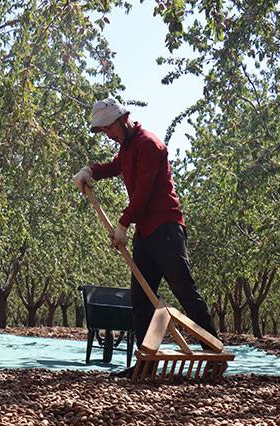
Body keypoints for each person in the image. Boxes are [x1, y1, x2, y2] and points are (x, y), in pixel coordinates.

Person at [73, 98, 219, 377]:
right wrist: (91, 170)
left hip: (165, 228)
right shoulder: (127, 148)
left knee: (184, 290)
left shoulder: (149, 145)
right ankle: (145, 363)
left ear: (123, 119)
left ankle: (212, 352)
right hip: (146, 232)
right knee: (141, 300)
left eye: (108, 128)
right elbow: (114, 167)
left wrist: (123, 224)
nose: (107, 134)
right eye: (102, 131)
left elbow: (143, 194)